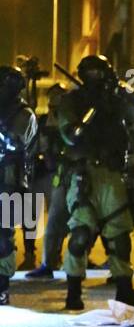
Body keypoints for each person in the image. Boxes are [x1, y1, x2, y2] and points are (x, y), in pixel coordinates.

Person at [57, 54, 134, 312]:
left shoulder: (116, 99)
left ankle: (124, 291)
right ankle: (73, 292)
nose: (98, 79)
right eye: (94, 74)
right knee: (80, 234)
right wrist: (92, 110)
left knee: (120, 235)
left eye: (102, 73)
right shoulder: (73, 101)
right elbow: (71, 135)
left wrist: (123, 95)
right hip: (84, 173)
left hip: (112, 174)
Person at [0, 65, 37, 306]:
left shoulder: (24, 115)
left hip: (10, 181)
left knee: (3, 236)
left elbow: (16, 143)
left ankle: (2, 286)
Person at [25, 83, 67, 279]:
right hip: (41, 173)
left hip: (61, 174)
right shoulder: (41, 121)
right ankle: (30, 254)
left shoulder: (68, 121)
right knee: (30, 215)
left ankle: (55, 257)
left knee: (58, 219)